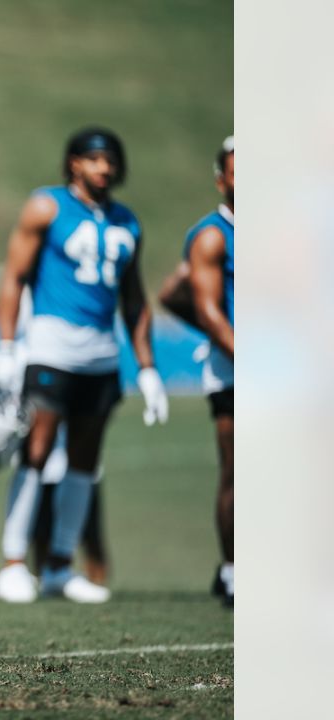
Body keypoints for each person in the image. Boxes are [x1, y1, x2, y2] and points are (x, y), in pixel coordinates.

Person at [0, 127, 168, 604]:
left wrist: (147, 367)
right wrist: (7, 347)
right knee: (38, 449)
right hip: (51, 345)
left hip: (102, 354)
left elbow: (134, 300)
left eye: (109, 160)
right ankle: (12, 562)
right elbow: (14, 276)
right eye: (93, 159)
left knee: (86, 462)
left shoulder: (128, 221)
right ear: (73, 164)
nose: (103, 168)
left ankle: (60, 566)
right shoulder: (46, 205)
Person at [160, 136, 234, 607]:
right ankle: (233, 570)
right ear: (221, 179)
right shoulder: (211, 235)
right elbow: (204, 308)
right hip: (235, 370)